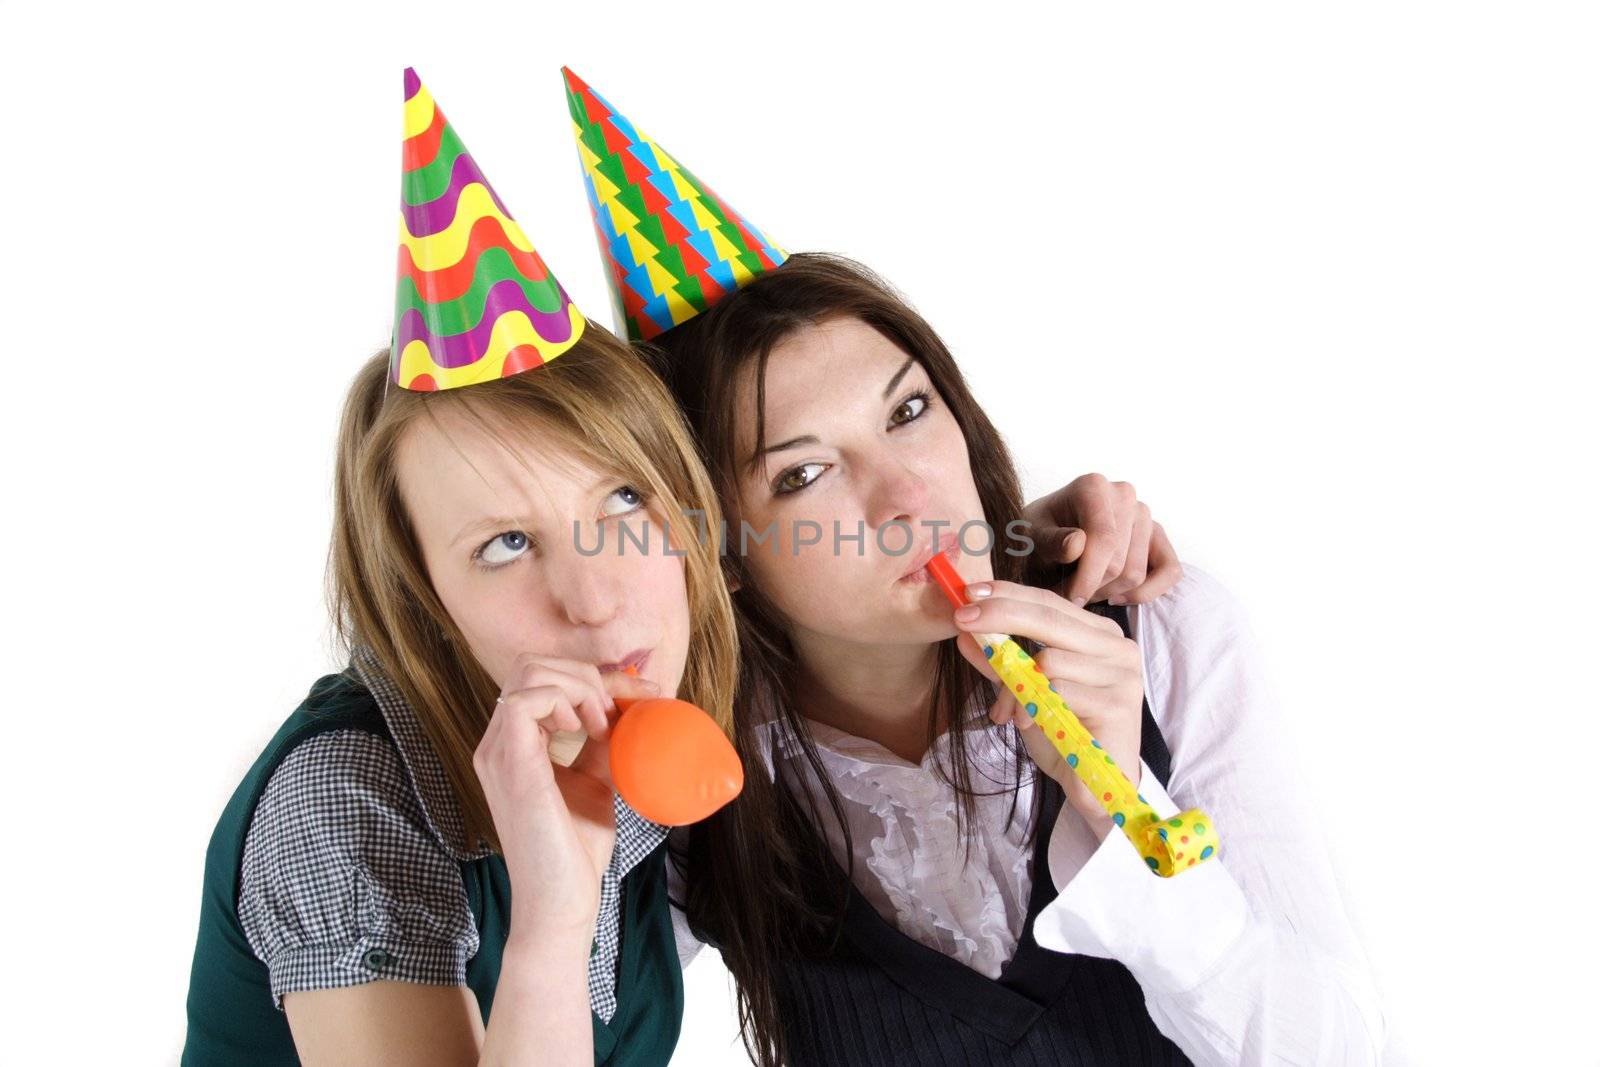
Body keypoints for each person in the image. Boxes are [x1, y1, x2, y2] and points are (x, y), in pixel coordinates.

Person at [182, 70, 1177, 1066]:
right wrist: (550, 929)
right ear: (420, 600)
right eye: (503, 544)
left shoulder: (661, 704)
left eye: (623, 504)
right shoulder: (346, 803)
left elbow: (815, 568)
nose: (597, 596)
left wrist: (1012, 535)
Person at [562, 70, 1389, 1066]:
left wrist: (1123, 805)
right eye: (808, 471)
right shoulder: (700, 763)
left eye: (908, 412)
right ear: (722, 553)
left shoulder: (1163, 631)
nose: (906, 495)